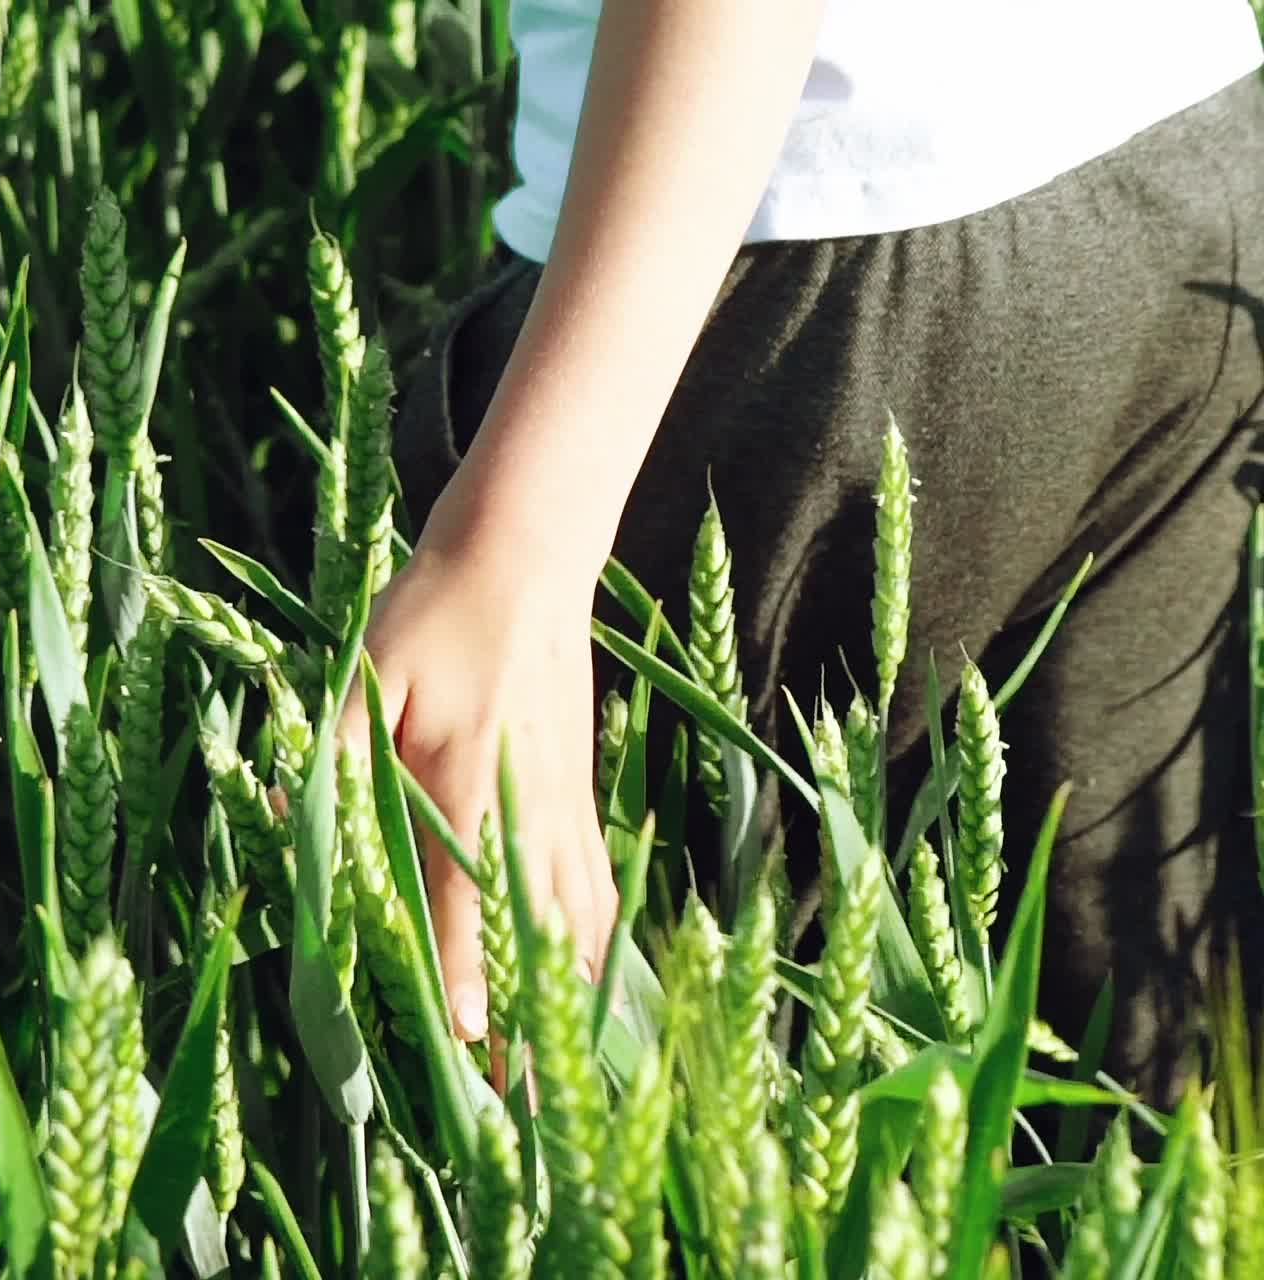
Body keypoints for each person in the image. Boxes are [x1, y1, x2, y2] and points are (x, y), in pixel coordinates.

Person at [342, 0, 1264, 1104]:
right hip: (1174, 156)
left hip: (802, 250)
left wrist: (520, 551)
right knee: (1140, 1090)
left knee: (618, 1110)